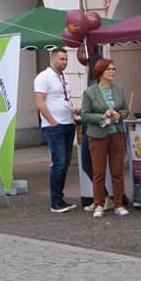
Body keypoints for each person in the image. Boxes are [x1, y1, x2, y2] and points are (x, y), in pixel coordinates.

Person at [82, 58, 130, 217]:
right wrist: (102, 116)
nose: (112, 72)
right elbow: (85, 114)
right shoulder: (90, 92)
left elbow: (126, 109)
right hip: (98, 135)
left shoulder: (118, 88)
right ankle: (99, 204)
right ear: (100, 72)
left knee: (117, 171)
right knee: (98, 172)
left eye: (114, 69)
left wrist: (119, 115)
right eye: (109, 69)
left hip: (116, 133)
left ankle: (119, 204)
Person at [34, 48, 80, 213]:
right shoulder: (43, 77)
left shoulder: (65, 77)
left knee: (65, 163)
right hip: (54, 126)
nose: (64, 62)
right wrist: (52, 121)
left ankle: (60, 198)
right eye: (61, 59)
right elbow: (39, 102)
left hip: (68, 123)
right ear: (52, 59)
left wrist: (72, 112)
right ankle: (55, 201)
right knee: (59, 162)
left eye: (66, 59)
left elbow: (64, 99)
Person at [80, 53, 116, 214]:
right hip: (91, 128)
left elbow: (98, 108)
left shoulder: (97, 84)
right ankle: (100, 198)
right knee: (91, 166)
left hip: (95, 129)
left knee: (92, 166)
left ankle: (104, 199)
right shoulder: (92, 84)